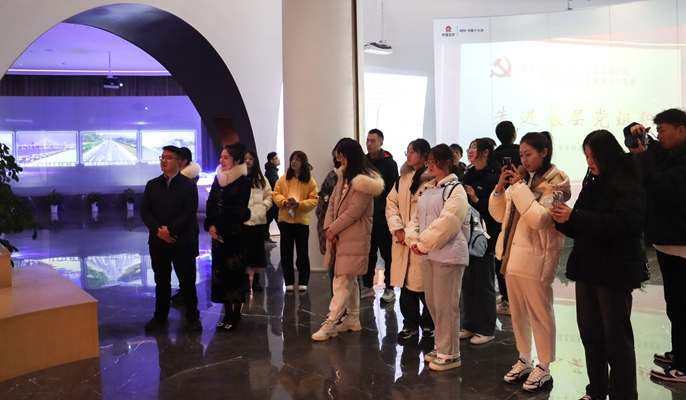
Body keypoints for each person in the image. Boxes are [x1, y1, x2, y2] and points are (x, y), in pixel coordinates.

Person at [553, 130, 646, 400]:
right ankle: (596, 390)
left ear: (607, 154)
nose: (589, 161)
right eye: (586, 156)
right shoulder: (593, 183)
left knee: (617, 340)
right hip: (588, 269)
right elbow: (581, 225)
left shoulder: (628, 183)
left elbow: (622, 224)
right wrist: (563, 219)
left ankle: (623, 394)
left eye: (593, 156)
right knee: (590, 335)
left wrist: (576, 216)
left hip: (614, 272)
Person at [489, 131, 570, 392]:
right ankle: (524, 358)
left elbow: (539, 219)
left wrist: (518, 187)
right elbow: (499, 214)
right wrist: (500, 188)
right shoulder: (521, 178)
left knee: (540, 314)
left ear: (544, 152)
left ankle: (544, 366)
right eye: (521, 155)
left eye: (528, 154)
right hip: (513, 256)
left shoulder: (558, 183)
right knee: (518, 313)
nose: (523, 159)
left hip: (538, 257)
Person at [627, 108, 686, 383]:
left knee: (682, 305)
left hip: (680, 244)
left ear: (681, 130)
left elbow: (661, 185)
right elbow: (655, 157)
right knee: (675, 304)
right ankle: (680, 352)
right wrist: (638, 134)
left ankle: (683, 367)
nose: (659, 136)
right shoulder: (672, 153)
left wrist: (642, 157)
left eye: (663, 130)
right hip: (670, 242)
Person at [405, 144, 470, 371]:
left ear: (447, 162)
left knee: (446, 305)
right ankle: (441, 346)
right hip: (429, 254)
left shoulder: (456, 189)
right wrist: (414, 241)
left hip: (449, 255)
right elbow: (415, 219)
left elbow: (448, 223)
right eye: (429, 161)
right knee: (433, 302)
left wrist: (423, 243)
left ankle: (450, 353)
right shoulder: (429, 188)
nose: (430, 165)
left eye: (434, 161)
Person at [311, 140, 384, 341]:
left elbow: (354, 212)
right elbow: (332, 204)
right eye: (338, 156)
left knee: (342, 280)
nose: (339, 160)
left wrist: (332, 229)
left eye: (342, 156)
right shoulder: (343, 176)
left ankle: (331, 322)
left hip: (354, 237)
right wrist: (329, 228)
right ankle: (352, 318)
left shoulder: (365, 181)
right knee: (347, 278)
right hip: (339, 235)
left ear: (351, 156)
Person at [141, 145, 201, 332]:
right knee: (161, 280)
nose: (164, 160)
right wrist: (159, 230)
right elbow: (145, 211)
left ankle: (192, 316)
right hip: (159, 241)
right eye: (162, 157)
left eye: (168, 157)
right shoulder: (152, 185)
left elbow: (189, 212)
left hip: (182, 241)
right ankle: (160, 316)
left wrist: (171, 230)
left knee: (187, 281)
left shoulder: (188, 185)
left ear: (179, 162)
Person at [386, 138, 434, 342]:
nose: (409, 155)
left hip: (422, 240)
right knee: (405, 286)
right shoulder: (402, 180)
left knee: (425, 286)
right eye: (407, 151)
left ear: (424, 155)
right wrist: (398, 229)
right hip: (401, 241)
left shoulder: (432, 179)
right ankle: (410, 324)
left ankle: (430, 323)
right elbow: (391, 204)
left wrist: (413, 235)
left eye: (412, 151)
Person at [205, 142, 251, 330]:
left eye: (226, 157)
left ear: (236, 160)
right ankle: (226, 312)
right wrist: (211, 225)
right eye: (221, 157)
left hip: (233, 234)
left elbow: (239, 210)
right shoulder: (218, 179)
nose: (221, 160)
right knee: (220, 274)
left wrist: (219, 226)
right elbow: (210, 203)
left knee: (234, 273)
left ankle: (236, 314)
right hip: (217, 236)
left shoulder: (243, 181)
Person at [459, 138, 502, 345]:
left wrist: (477, 199)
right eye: (470, 147)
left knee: (484, 283)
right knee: (468, 283)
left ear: (486, 152)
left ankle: (486, 328)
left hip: (485, 237)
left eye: (474, 148)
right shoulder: (467, 175)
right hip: (466, 235)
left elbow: (497, 210)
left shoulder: (494, 177)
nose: (470, 151)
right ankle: (469, 324)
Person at [272, 151, 318, 291]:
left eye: (297, 159)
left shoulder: (309, 181)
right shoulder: (283, 179)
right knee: (286, 253)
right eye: (292, 159)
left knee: (302, 252)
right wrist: (284, 202)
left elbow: (314, 199)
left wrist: (300, 205)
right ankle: (288, 281)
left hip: (301, 221)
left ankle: (303, 280)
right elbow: (276, 193)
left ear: (303, 162)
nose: (294, 162)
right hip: (285, 220)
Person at [365, 128, 399, 302]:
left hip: (383, 216)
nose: (369, 144)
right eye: (368, 140)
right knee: (368, 252)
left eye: (373, 141)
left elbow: (393, 190)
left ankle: (390, 287)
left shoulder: (389, 163)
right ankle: (367, 286)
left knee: (387, 254)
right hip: (366, 215)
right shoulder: (363, 162)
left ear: (381, 142)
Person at [169, 146, 202, 306]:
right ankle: (183, 290)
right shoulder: (174, 178)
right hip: (176, 228)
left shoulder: (188, 180)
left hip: (187, 229)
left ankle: (187, 294)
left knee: (187, 265)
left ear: (184, 161)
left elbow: (188, 209)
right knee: (179, 263)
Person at [244, 149, 273, 292]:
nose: (248, 161)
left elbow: (269, 196)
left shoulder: (262, 179)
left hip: (258, 220)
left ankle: (256, 280)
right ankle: (244, 280)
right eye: (246, 158)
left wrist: (263, 207)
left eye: (251, 158)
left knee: (258, 251)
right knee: (244, 251)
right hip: (243, 221)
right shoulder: (239, 178)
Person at [264, 152, 281, 244]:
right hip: (273, 200)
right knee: (274, 219)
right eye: (276, 158)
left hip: (272, 199)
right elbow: (274, 185)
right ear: (271, 160)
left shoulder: (271, 171)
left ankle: (265, 237)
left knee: (268, 219)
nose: (278, 160)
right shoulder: (271, 172)